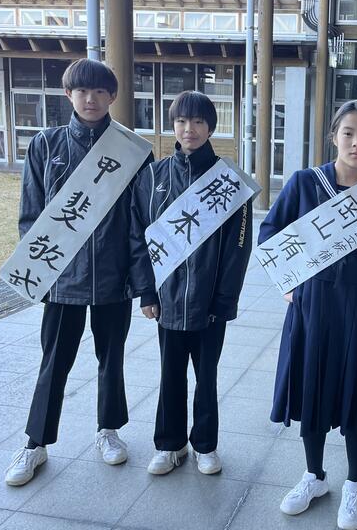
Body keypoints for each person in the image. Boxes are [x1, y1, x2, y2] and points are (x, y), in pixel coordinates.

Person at [258, 100, 357, 530]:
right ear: (333, 137)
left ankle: (354, 483)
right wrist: (288, 283)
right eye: (348, 133)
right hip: (314, 305)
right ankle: (314, 475)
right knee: (313, 388)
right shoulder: (306, 182)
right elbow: (269, 232)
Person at [5, 58, 152, 486]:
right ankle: (35, 443)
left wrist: (140, 282)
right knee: (54, 361)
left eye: (100, 91)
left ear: (112, 96)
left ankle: (109, 430)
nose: (91, 99)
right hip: (61, 279)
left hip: (113, 277)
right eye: (82, 91)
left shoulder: (131, 150)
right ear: (68, 94)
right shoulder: (45, 144)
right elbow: (31, 215)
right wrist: (39, 271)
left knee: (112, 359)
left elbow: (140, 221)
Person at [129, 90, 252, 476]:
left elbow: (238, 248)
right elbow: (139, 237)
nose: (189, 129)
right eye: (182, 121)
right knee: (169, 375)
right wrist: (146, 291)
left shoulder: (229, 180)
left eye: (198, 121)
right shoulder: (153, 176)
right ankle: (170, 445)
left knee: (207, 377)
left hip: (210, 302)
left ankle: (205, 445)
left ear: (211, 127)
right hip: (166, 300)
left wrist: (224, 301)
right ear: (173, 125)